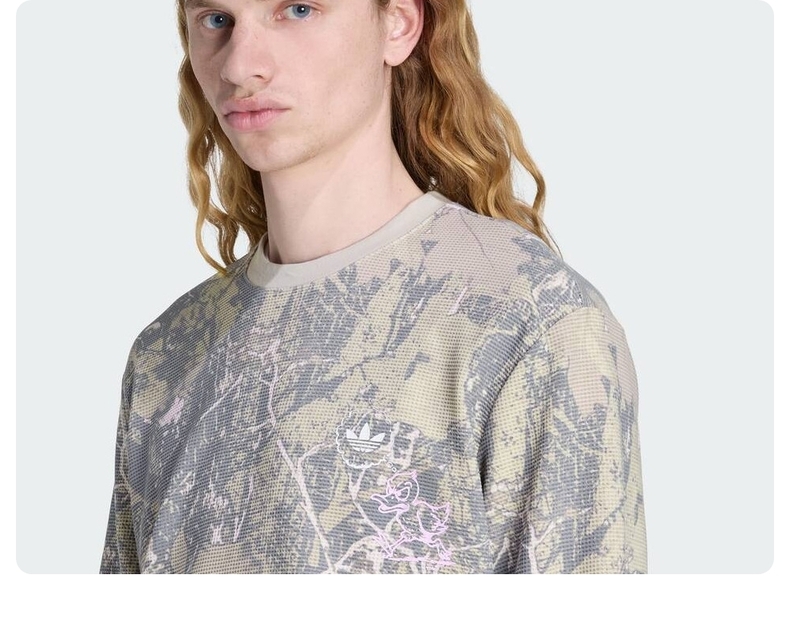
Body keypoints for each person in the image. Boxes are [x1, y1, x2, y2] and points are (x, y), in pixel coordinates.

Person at [100, 0, 647, 574]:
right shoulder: (166, 354)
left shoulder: (532, 320)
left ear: (398, 24)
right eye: (216, 19)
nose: (239, 66)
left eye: (298, 9)